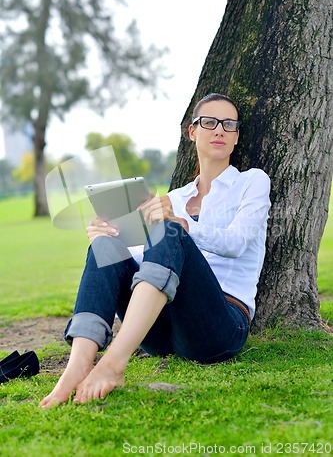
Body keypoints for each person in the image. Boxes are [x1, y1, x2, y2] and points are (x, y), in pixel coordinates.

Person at [40, 93, 271, 408]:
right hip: (162, 333)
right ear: (192, 132)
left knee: (171, 230)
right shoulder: (173, 197)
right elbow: (147, 263)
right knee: (107, 246)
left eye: (229, 125)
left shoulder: (252, 182)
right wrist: (106, 235)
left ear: (236, 136)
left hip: (219, 326)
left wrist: (183, 225)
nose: (219, 130)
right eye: (209, 122)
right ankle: (79, 362)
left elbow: (238, 242)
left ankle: (112, 364)